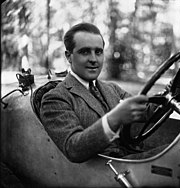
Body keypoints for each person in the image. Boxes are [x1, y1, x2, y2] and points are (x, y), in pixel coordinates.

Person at [40, 22, 164, 163]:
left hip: (133, 160)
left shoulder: (111, 88)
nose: (93, 59)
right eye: (85, 52)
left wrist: (177, 86)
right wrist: (115, 118)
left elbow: (148, 111)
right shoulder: (56, 99)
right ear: (69, 56)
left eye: (98, 52)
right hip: (106, 172)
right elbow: (73, 148)